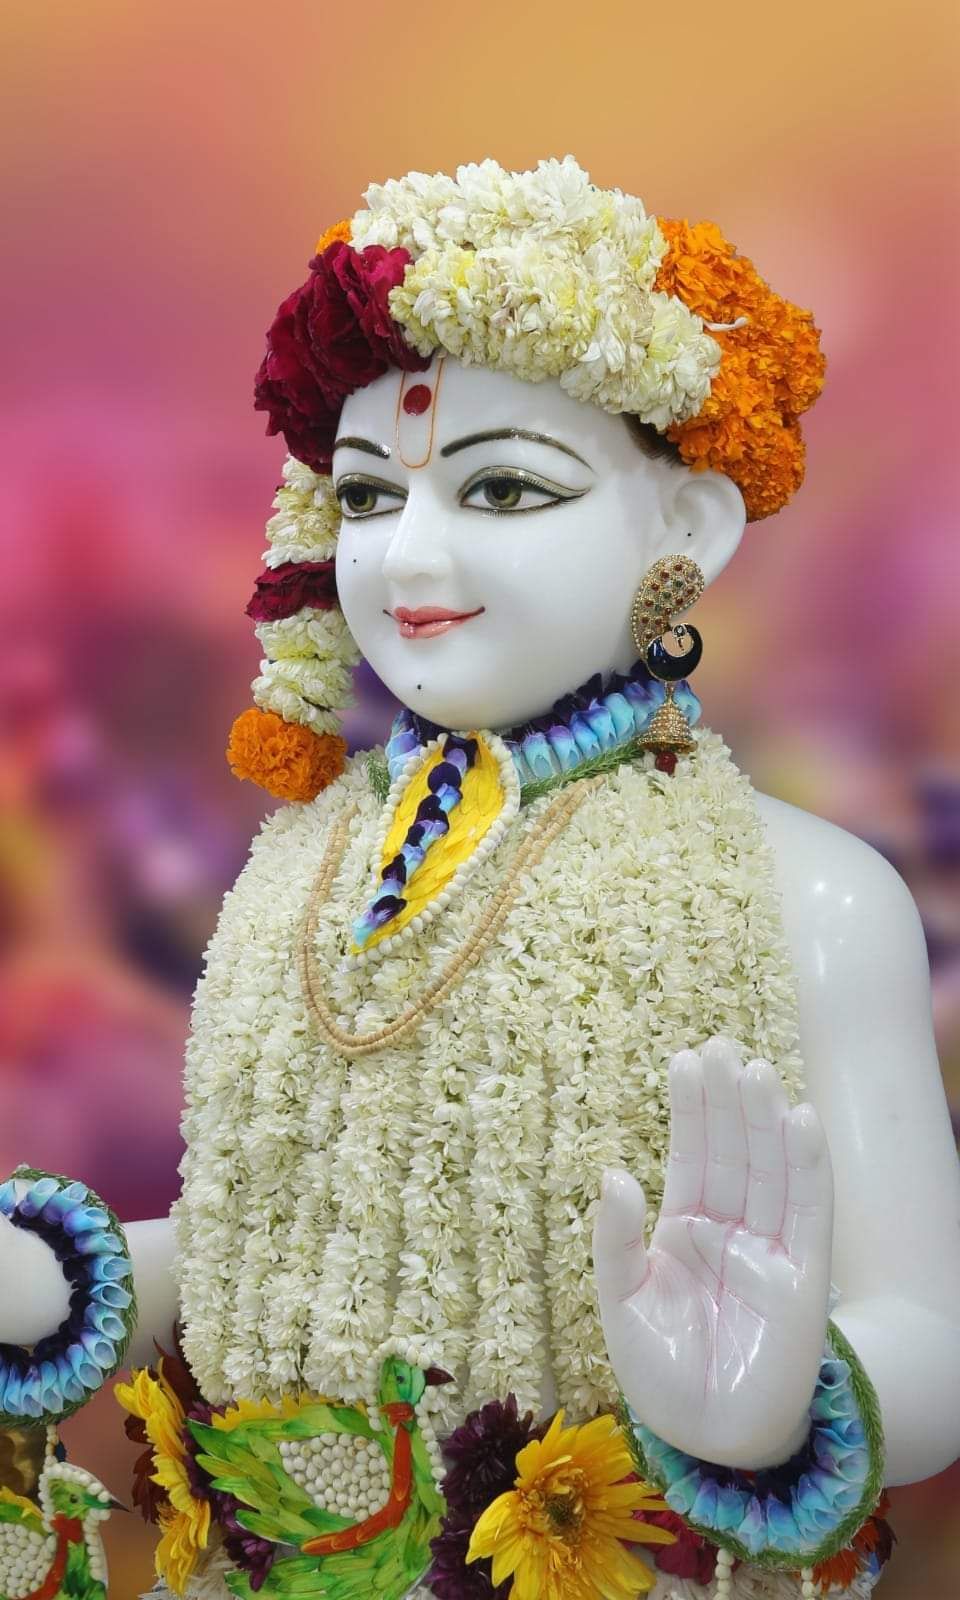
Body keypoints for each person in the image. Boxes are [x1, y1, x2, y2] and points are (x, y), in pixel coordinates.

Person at [2, 158, 958, 1600]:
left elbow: (932, 1335)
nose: (412, 555)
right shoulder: (299, 859)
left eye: (504, 488)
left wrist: (777, 1408)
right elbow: (279, 1250)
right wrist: (54, 1282)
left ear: (687, 530)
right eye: (368, 495)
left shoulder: (803, 897)